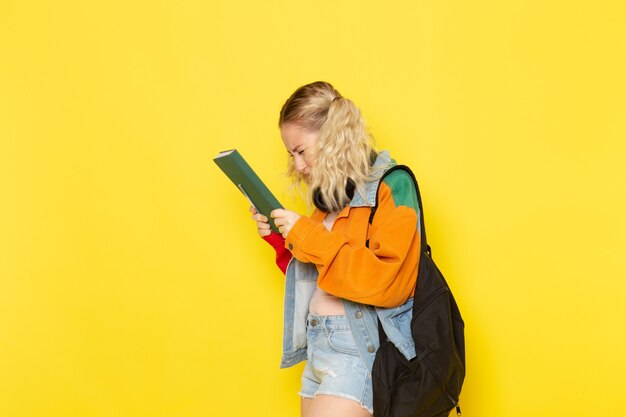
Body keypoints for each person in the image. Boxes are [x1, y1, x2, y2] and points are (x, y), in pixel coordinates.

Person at [250, 81, 422, 417]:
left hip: (355, 349)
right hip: (319, 348)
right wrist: (280, 237)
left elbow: (386, 283)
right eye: (291, 154)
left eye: (301, 151)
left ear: (330, 137)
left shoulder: (392, 185)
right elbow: (323, 277)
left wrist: (306, 233)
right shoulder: (327, 200)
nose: (298, 166)